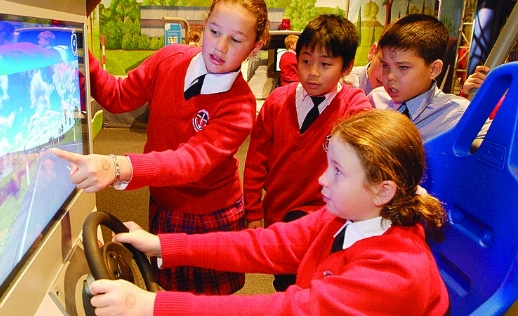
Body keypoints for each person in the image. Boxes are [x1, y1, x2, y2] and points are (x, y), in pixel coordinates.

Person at [87, 110, 450, 316]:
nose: (322, 179)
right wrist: (165, 246)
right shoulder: (345, 216)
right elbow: (266, 246)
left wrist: (152, 305)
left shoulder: (396, 275)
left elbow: (285, 311)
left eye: (338, 171)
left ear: (382, 190)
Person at [53, 0, 270, 295]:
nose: (220, 46)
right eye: (215, 31)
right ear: (203, 26)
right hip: (164, 203)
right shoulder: (169, 59)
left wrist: (118, 166)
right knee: (165, 289)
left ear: (255, 47)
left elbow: (190, 162)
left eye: (236, 40)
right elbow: (118, 97)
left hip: (211, 212)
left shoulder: (240, 105)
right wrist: (75, 41)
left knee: (210, 302)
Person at [242, 14, 372, 291]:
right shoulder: (277, 102)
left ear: (346, 67)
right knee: (286, 283)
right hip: (279, 212)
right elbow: (255, 161)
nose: (313, 72)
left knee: (318, 285)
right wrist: (253, 210)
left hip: (325, 219)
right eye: (306, 61)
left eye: (325, 64)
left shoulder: (354, 106)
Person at [368, 13, 489, 141]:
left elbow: (501, 148)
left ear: (434, 69)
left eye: (403, 67)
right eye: (385, 65)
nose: (390, 76)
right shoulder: (374, 100)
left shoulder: (457, 113)